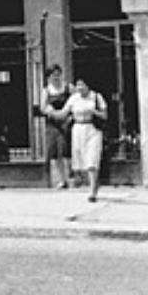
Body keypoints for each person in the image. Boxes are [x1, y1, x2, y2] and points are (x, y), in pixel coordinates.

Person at [64, 74, 109, 202]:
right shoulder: (74, 98)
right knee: (81, 160)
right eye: (78, 85)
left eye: (82, 84)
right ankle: (89, 183)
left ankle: (92, 192)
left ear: (88, 85)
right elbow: (64, 112)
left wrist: (94, 111)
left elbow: (105, 115)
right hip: (78, 129)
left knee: (92, 160)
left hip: (92, 129)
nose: (80, 87)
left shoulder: (96, 97)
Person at [40, 64, 73, 189]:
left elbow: (76, 100)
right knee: (54, 151)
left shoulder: (68, 87)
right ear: (48, 77)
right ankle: (60, 179)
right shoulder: (46, 91)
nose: (56, 78)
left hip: (66, 122)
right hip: (53, 124)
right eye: (53, 75)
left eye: (58, 75)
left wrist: (69, 115)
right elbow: (42, 107)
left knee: (65, 149)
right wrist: (51, 111)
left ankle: (71, 177)